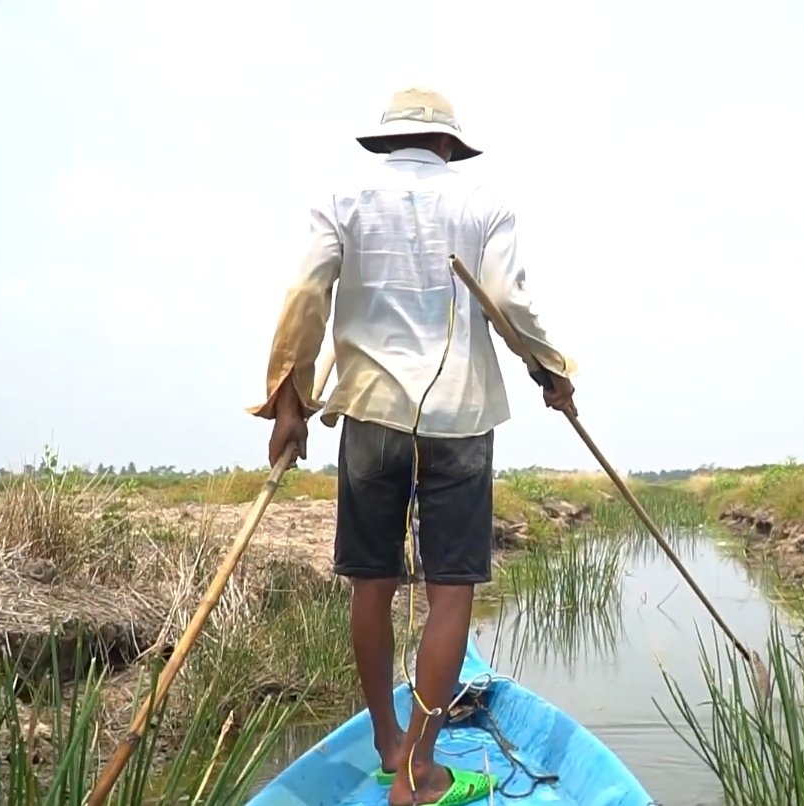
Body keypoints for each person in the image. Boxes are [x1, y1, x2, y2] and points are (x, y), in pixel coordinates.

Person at [247, 86, 577, 806]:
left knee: (372, 582)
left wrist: (289, 401)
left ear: (386, 144)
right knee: (448, 593)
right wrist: (549, 371)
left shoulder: (341, 197)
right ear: (449, 146)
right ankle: (418, 774)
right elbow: (510, 301)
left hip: (369, 412)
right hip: (458, 420)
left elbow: (304, 295)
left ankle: (388, 741)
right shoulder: (483, 203)